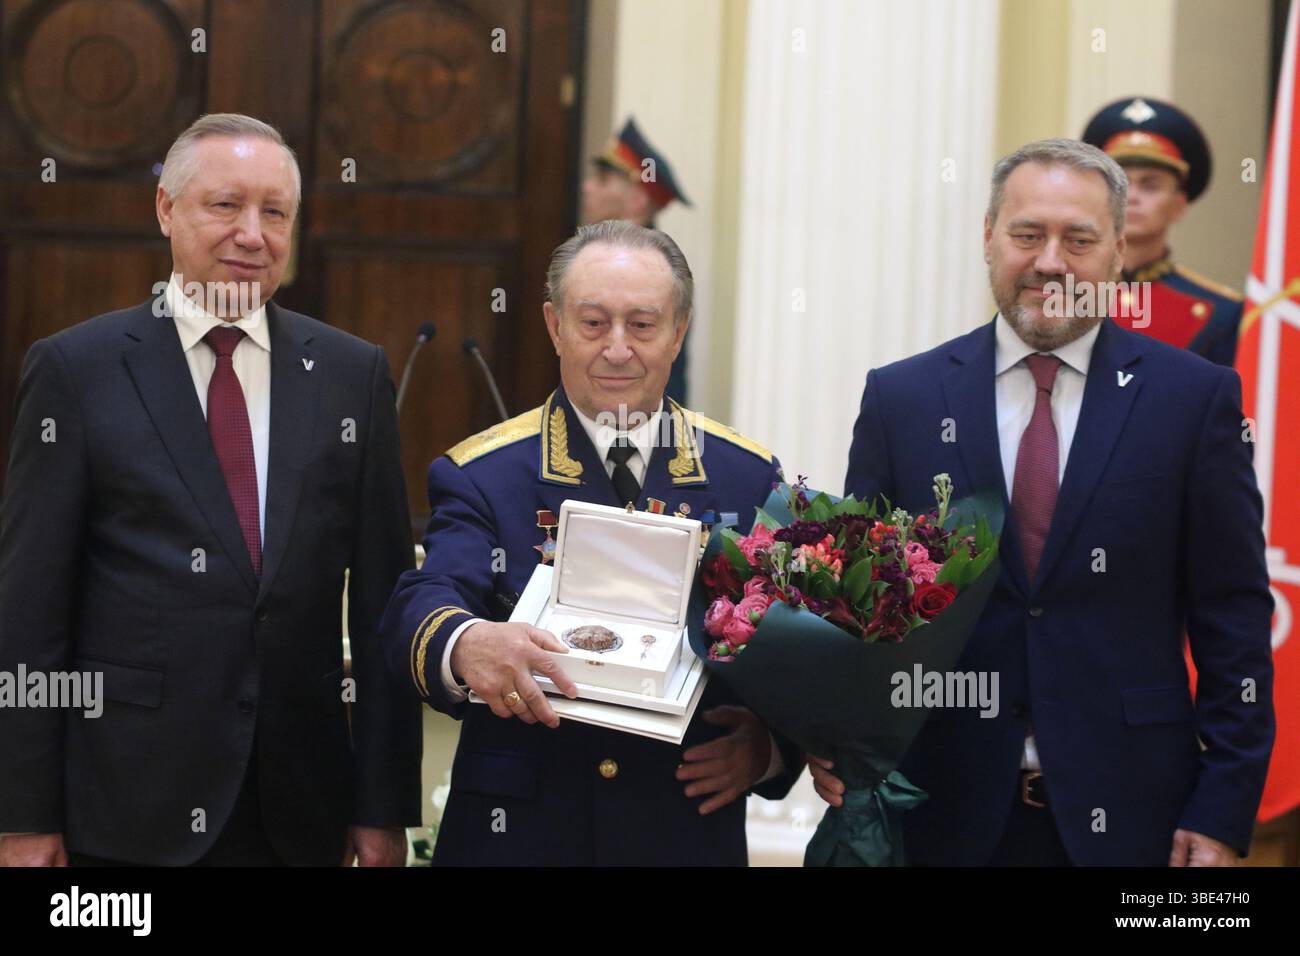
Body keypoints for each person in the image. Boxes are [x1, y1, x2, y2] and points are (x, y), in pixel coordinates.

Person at [816, 139, 1274, 866]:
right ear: (989, 238)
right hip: (939, 814)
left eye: (1079, 239)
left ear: (1119, 251)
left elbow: (1235, 618)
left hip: (1139, 821)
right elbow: (853, 605)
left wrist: (1223, 805)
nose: (1051, 262)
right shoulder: (902, 399)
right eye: (1027, 234)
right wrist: (839, 744)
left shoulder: (1194, 401)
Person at [0, 113, 421, 866]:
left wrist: (383, 805)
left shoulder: (352, 377)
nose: (252, 235)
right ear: (166, 207)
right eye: (225, 205)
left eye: (275, 212)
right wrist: (23, 815)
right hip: (124, 809)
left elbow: (386, 599)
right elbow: (29, 610)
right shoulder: (77, 371)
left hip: (298, 809)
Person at [380, 220, 800, 865]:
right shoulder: (485, 474)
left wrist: (770, 748)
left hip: (681, 832)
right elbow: (425, 596)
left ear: (679, 332)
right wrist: (468, 642)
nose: (617, 349)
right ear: (554, 326)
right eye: (593, 323)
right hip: (518, 836)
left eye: (642, 324)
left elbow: (799, 647)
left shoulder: (747, 477)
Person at [1081, 96, 1244, 365]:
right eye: (1119, 183)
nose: (1131, 197)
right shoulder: (1062, 294)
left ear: (1179, 205)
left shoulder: (1221, 311)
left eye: (1150, 185)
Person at [581, 117, 693, 403]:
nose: (587, 187)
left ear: (637, 201)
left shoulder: (663, 276)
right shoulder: (583, 261)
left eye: (603, 179)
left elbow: (666, 384)